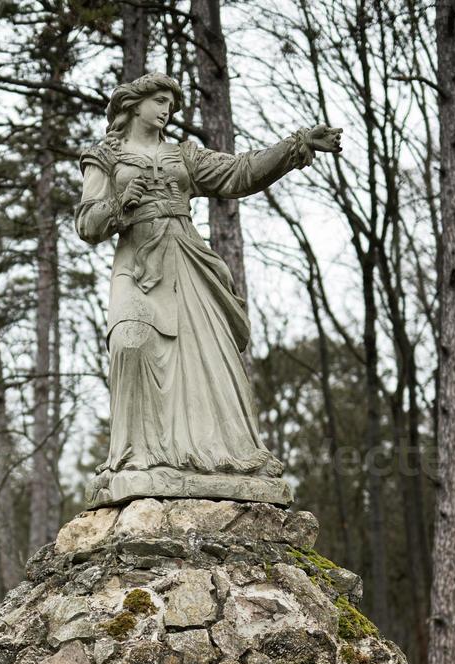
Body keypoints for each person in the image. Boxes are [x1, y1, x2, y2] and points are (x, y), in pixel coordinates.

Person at [76, 72, 342, 498]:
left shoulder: (183, 155)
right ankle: (136, 457)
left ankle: (206, 455)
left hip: (186, 262)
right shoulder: (105, 156)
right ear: (135, 103)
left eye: (171, 103)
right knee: (130, 342)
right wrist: (119, 203)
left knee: (209, 360)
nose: (166, 109)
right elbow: (87, 225)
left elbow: (240, 173)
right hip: (136, 265)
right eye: (159, 100)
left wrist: (298, 145)